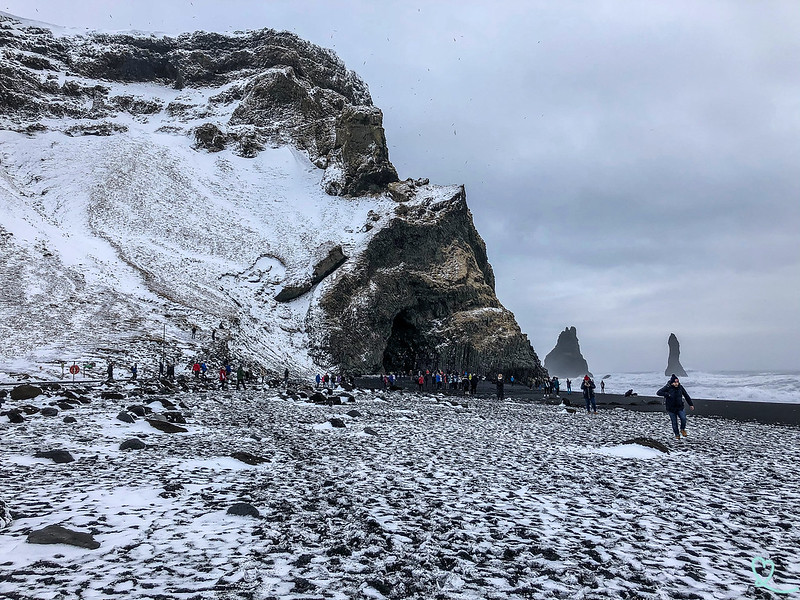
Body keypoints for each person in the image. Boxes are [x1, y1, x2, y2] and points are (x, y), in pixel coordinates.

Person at [657, 374, 695, 439]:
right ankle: (677, 434)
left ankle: (682, 429)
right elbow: (658, 392)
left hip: (680, 407)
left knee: (683, 419)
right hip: (671, 408)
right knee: (674, 423)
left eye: (677, 382)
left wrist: (691, 404)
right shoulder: (667, 387)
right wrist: (667, 394)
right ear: (672, 383)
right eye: (675, 382)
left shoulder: (680, 387)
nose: (676, 384)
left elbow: (686, 395)